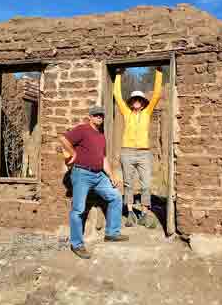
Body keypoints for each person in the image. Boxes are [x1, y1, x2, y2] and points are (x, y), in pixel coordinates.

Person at [59, 106, 129, 259]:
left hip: (98, 176)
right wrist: (73, 153)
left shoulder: (101, 136)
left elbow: (103, 159)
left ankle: (112, 233)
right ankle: (76, 244)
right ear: (89, 117)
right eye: (96, 115)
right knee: (78, 210)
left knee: (116, 196)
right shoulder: (83, 129)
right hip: (82, 174)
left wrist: (111, 176)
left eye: (101, 115)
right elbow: (64, 139)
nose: (99, 117)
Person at [113, 67, 162, 228]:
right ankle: (130, 213)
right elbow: (117, 96)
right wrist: (118, 75)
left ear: (142, 103)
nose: (136, 101)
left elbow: (156, 95)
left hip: (144, 153)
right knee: (128, 183)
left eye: (139, 100)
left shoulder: (147, 113)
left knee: (146, 184)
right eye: (134, 99)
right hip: (127, 152)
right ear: (131, 102)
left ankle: (145, 214)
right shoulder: (126, 113)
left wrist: (159, 73)